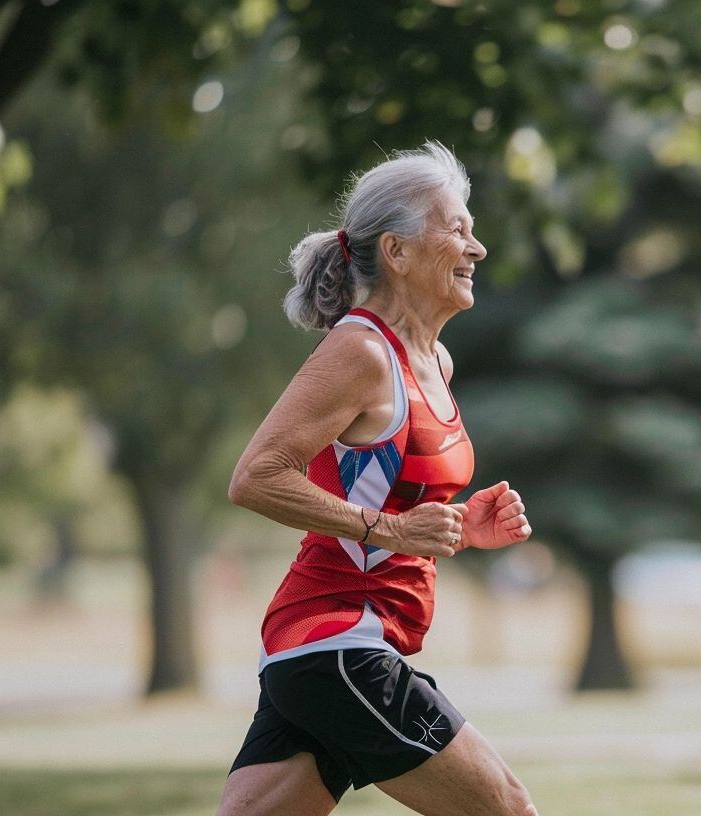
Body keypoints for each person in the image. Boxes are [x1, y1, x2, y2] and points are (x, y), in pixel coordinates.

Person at [217, 142, 538, 816]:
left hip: (318, 653)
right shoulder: (360, 350)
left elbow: (390, 494)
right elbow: (255, 477)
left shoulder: (434, 361)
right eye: (456, 228)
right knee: (509, 811)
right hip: (340, 644)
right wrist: (391, 527)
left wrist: (456, 527)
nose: (476, 248)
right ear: (395, 252)